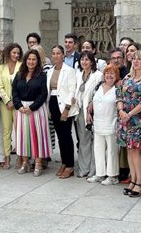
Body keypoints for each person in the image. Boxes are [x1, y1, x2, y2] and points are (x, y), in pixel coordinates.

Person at [117, 49, 141, 197]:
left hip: (140, 120)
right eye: (134, 59)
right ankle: (133, 180)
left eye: (139, 59)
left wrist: (130, 114)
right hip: (125, 119)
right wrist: (121, 111)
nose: (136, 61)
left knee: (137, 150)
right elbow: (119, 95)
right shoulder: (127, 77)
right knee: (129, 149)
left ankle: (140, 182)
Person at [12, 49, 51, 176]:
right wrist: (19, 106)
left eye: (34, 59)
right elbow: (14, 92)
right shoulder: (19, 75)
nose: (31, 62)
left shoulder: (42, 75)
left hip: (37, 109)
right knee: (23, 136)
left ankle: (38, 163)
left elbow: (43, 94)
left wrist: (32, 107)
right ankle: (25, 162)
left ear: (37, 61)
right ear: (25, 60)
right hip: (21, 110)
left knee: (37, 136)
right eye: (29, 59)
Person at [47, 45, 78, 179]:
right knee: (60, 137)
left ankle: (70, 165)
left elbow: (72, 91)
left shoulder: (69, 71)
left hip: (65, 106)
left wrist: (66, 110)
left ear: (63, 55)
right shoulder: (50, 70)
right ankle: (64, 162)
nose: (55, 56)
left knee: (66, 136)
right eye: (53, 53)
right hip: (53, 104)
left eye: (58, 53)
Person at [87, 64, 120, 185]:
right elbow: (91, 101)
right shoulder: (99, 87)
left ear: (116, 76)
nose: (109, 75)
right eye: (107, 73)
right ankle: (100, 174)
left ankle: (112, 176)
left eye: (112, 73)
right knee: (98, 149)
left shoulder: (118, 89)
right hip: (98, 123)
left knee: (111, 151)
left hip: (111, 123)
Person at [74, 51, 102, 178]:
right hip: (80, 111)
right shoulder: (78, 74)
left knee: (95, 141)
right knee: (83, 141)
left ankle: (94, 169)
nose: (84, 62)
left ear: (92, 62)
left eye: (87, 60)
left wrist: (91, 108)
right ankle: (83, 168)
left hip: (93, 112)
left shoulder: (98, 75)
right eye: (82, 60)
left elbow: (99, 94)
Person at [0, 43, 23, 169]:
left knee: (19, 130)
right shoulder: (1, 67)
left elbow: (22, 85)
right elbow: (0, 86)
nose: (16, 55)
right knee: (6, 131)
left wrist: (15, 101)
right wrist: (7, 100)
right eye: (14, 53)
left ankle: (20, 156)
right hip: (5, 104)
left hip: (18, 103)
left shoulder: (22, 66)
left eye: (18, 53)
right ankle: (7, 158)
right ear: (8, 53)